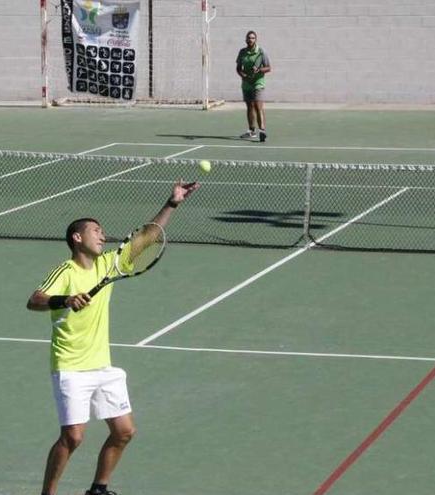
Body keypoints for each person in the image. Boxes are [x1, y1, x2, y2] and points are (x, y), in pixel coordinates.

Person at [27, 180, 200, 495]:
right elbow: (35, 300)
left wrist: (172, 203)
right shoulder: (64, 271)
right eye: (96, 231)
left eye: (103, 232)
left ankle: (98, 489)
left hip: (102, 366)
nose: (103, 235)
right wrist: (64, 300)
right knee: (73, 437)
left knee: (124, 431)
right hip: (71, 368)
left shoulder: (108, 263)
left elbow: (148, 237)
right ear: (77, 238)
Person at [236, 30, 271, 142]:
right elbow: (238, 68)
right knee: (249, 106)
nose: (250, 40)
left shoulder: (261, 51)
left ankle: (262, 131)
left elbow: (269, 68)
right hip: (246, 83)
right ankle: (252, 131)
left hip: (258, 83)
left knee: (257, 106)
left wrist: (259, 69)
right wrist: (243, 75)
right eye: (248, 38)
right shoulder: (242, 52)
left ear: (255, 39)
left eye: (252, 38)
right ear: (246, 40)